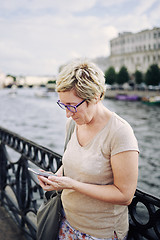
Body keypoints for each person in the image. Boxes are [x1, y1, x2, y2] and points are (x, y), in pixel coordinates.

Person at [38, 59, 139, 240]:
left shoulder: (120, 133)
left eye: (72, 106)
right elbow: (69, 162)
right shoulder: (72, 123)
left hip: (100, 233)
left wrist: (72, 184)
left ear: (96, 97)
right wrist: (56, 177)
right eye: (64, 105)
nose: (68, 113)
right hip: (65, 222)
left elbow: (125, 195)